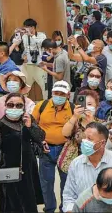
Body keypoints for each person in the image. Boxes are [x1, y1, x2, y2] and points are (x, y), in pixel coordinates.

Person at [0, 93, 45, 213]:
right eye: (11, 105)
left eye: (19, 105)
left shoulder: (28, 120)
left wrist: (30, 126)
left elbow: (40, 137)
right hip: (8, 169)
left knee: (29, 202)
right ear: (5, 106)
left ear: (24, 107)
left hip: (28, 169)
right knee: (11, 204)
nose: (14, 108)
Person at [62, 122, 112, 212]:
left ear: (102, 143)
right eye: (84, 137)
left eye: (89, 139)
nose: (84, 141)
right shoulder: (76, 164)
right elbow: (69, 196)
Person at [31, 81, 73, 213]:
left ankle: (64, 208)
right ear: (52, 93)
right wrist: (39, 140)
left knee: (66, 182)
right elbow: (32, 125)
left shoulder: (72, 108)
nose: (58, 96)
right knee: (46, 182)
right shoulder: (41, 106)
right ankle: (49, 208)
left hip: (66, 150)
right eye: (56, 93)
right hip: (46, 148)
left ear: (67, 95)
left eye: (62, 94)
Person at [21, 18, 48, 99]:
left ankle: (46, 103)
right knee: (24, 87)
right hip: (27, 65)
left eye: (28, 27)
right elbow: (23, 48)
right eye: (25, 27)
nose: (26, 29)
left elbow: (41, 44)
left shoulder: (41, 35)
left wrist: (32, 36)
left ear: (33, 27)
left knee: (44, 87)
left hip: (39, 65)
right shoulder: (24, 36)